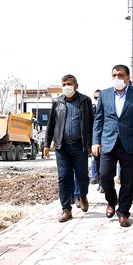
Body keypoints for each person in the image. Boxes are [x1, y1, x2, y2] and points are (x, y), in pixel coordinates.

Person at [92, 64, 133, 227]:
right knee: (104, 174)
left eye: (120, 75)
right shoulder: (104, 95)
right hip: (108, 142)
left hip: (130, 143)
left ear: (127, 77)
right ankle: (111, 201)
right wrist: (95, 141)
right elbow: (99, 120)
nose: (117, 78)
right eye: (114, 75)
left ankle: (123, 212)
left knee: (128, 179)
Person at [43, 74, 94, 222]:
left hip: (80, 146)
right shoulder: (57, 102)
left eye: (69, 84)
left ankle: (82, 195)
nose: (66, 87)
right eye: (64, 84)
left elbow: (91, 124)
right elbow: (51, 125)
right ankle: (66, 209)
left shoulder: (85, 101)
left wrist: (91, 143)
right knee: (63, 178)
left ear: (76, 86)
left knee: (82, 176)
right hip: (62, 147)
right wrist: (46, 145)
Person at [90, 90, 103, 193]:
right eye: (96, 98)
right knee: (97, 162)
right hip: (95, 141)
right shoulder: (91, 109)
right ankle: (100, 183)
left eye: (99, 97)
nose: (97, 100)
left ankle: (104, 184)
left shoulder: (107, 107)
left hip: (107, 140)